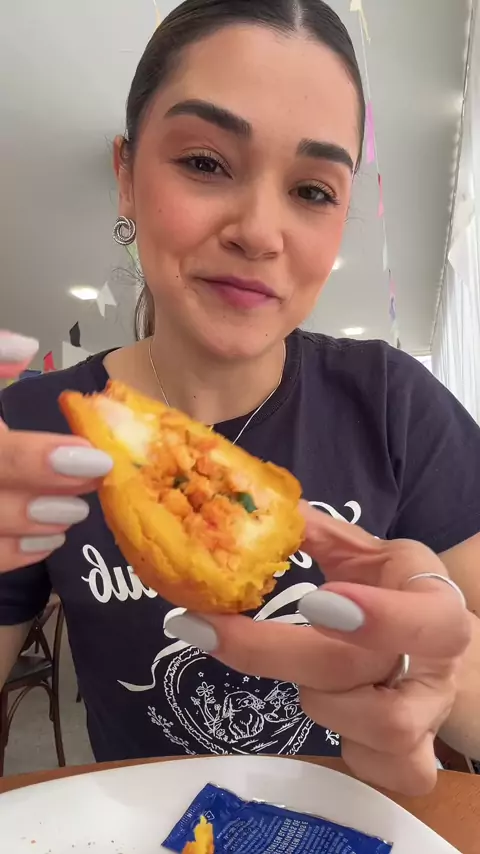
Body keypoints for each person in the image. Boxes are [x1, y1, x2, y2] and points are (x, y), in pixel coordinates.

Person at [0, 0, 479, 796]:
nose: (259, 231)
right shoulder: (32, 432)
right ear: (126, 175)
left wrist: (435, 671)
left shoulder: (395, 405)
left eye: (314, 191)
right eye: (206, 162)